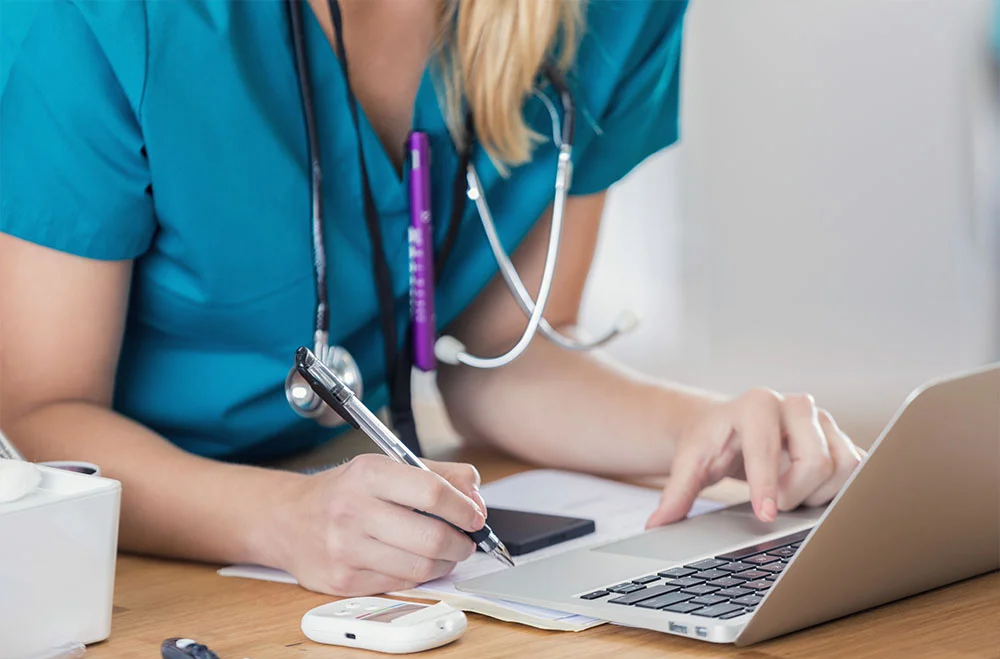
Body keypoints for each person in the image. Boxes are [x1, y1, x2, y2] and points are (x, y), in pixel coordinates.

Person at [0, 0, 863, 597]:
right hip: (108, 563)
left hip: (352, 546)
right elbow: (40, 417)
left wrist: (708, 435)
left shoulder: (608, 14)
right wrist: (281, 522)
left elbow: (500, 360)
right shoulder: (98, 18)